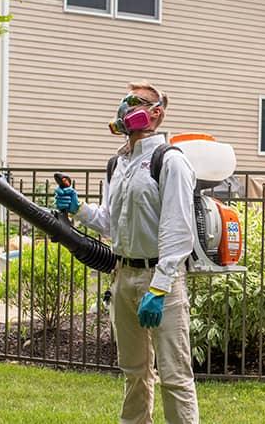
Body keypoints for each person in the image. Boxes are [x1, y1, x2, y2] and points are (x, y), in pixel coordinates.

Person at [54, 81, 199, 424]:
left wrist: (159, 289)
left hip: (161, 280)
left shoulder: (170, 161)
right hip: (123, 275)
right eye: (124, 101)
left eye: (135, 102)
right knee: (134, 371)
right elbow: (111, 222)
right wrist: (79, 209)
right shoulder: (117, 164)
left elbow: (178, 232)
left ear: (156, 112)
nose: (125, 106)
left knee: (174, 375)